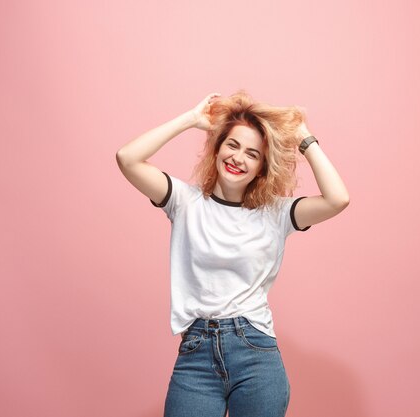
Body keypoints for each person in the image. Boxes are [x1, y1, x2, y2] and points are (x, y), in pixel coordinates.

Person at [116, 91, 349, 417]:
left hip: (256, 353)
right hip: (196, 354)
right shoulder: (184, 202)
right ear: (217, 148)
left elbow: (337, 199)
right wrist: (191, 120)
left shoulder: (277, 214)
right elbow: (127, 157)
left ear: (262, 168)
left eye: (252, 154)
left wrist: (304, 138)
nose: (239, 158)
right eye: (233, 145)